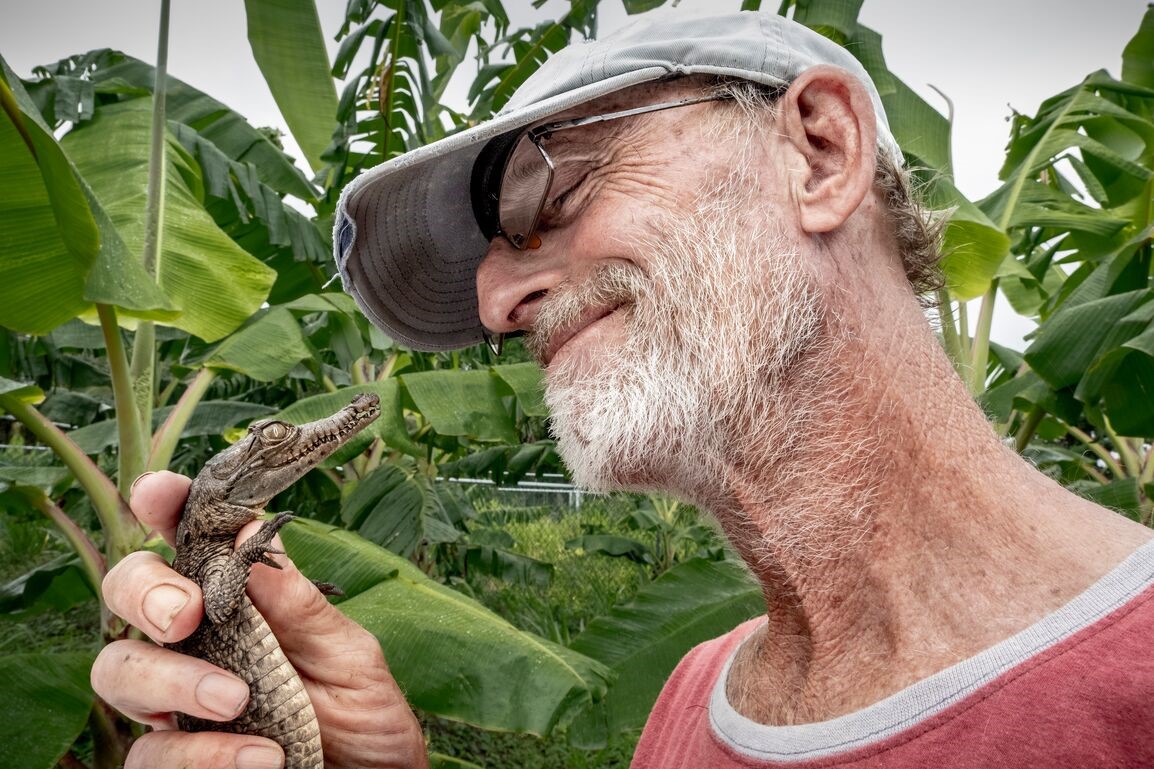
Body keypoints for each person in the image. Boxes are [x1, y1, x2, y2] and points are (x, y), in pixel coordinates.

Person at [92, 10, 1154, 769]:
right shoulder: (701, 698)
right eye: (486, 266)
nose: (500, 299)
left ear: (819, 153)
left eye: (550, 189)